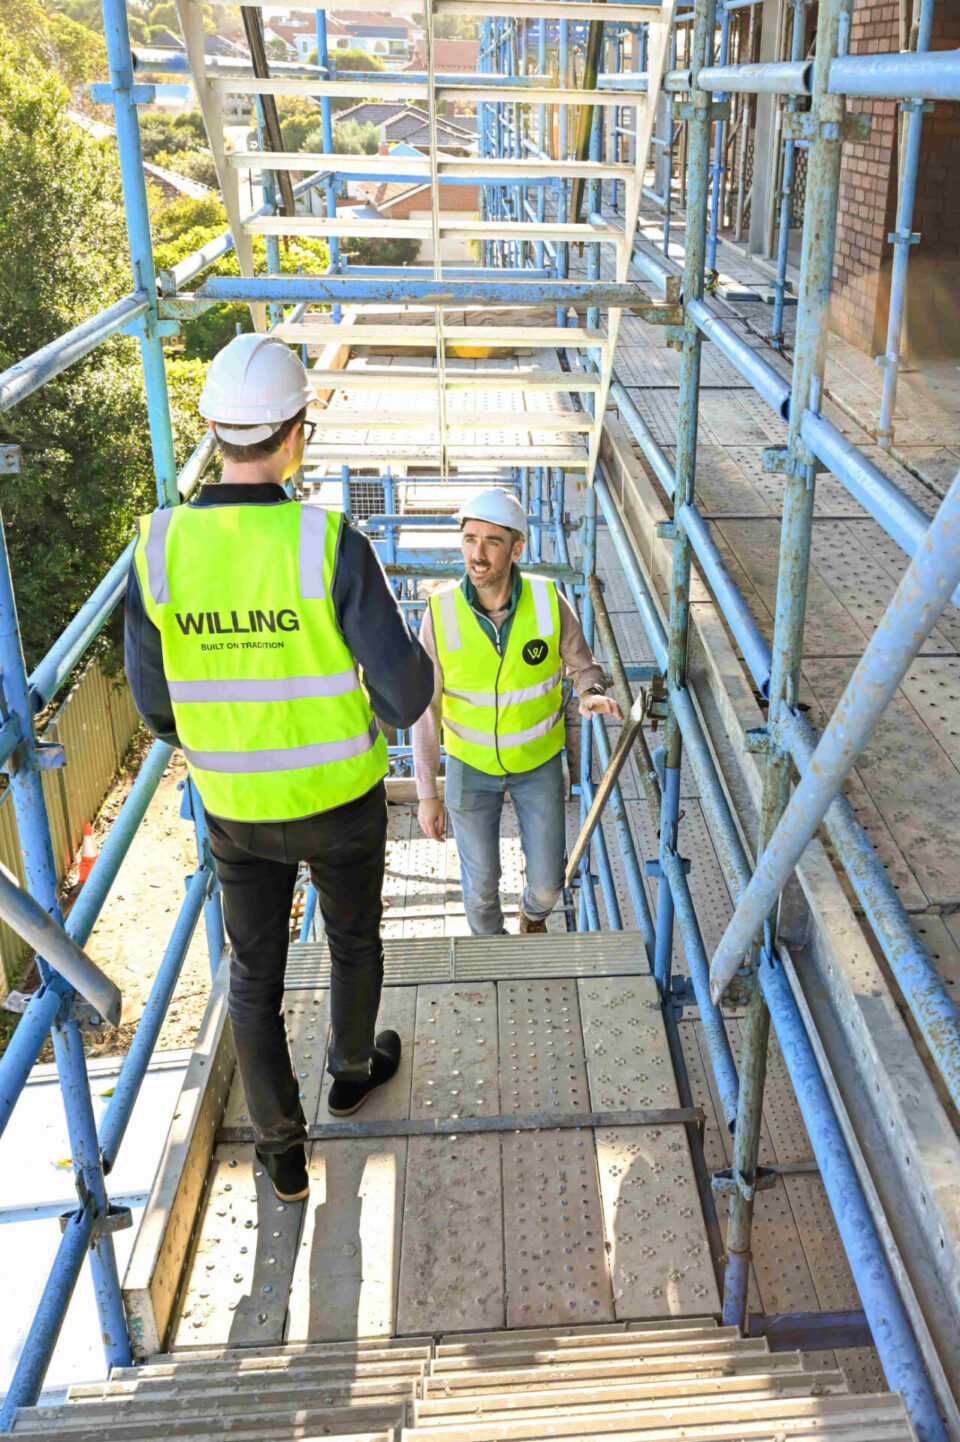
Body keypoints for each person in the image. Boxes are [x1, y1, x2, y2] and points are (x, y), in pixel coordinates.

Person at [125, 334, 434, 1203]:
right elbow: (405, 695)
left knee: (254, 977)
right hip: (340, 803)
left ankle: (281, 1153)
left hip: (234, 810)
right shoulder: (330, 545)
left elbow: (155, 710)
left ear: (217, 431)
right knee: (353, 941)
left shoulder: (157, 549)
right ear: (296, 435)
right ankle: (348, 1069)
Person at [413, 488, 622, 936]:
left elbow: (584, 666)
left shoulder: (549, 602)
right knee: (480, 890)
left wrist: (589, 693)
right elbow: (425, 708)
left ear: (517, 548)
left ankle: (533, 916)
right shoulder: (440, 612)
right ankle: (493, 957)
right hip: (470, 768)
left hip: (538, 765)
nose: (478, 554)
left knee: (549, 884)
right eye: (470, 540)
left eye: (491, 541)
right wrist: (427, 790)